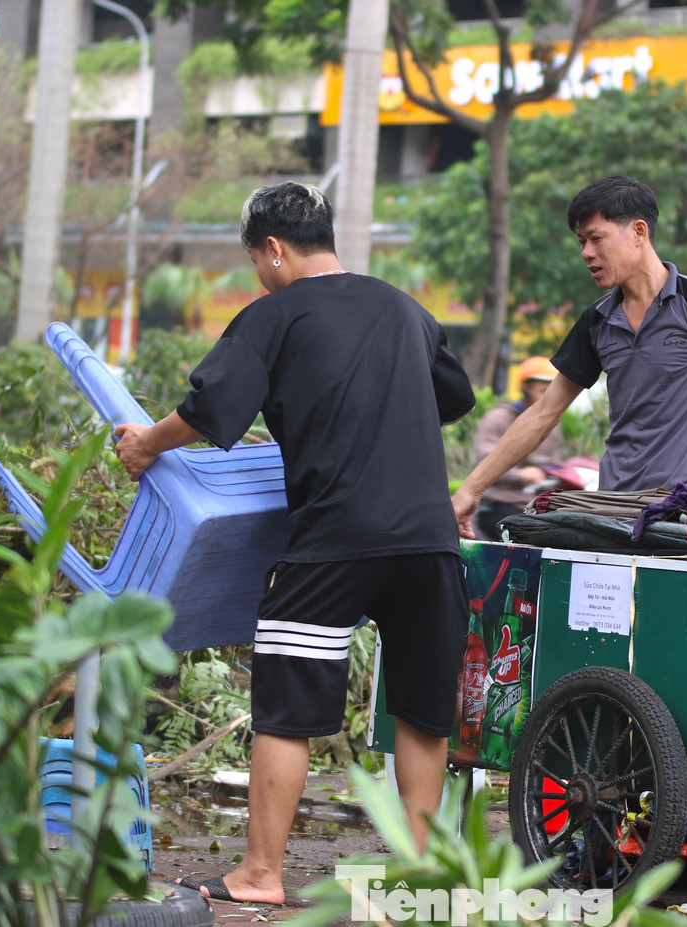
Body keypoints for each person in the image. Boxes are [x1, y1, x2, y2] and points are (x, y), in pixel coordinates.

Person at [114, 181, 475, 905]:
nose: (258, 273)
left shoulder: (273, 314)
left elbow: (208, 408)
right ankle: (423, 878)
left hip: (335, 539)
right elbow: (454, 397)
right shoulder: (406, 309)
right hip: (431, 542)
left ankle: (260, 874)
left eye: (256, 259)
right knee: (422, 709)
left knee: (286, 707)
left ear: (273, 248)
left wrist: (147, 443)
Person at [451, 174, 687, 539]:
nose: (586, 253)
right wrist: (471, 488)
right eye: (582, 242)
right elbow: (543, 412)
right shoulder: (596, 321)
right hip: (610, 510)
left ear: (639, 232)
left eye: (596, 238)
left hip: (684, 514)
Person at [472, 356, 566, 540]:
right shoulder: (499, 418)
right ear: (526, 387)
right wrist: (519, 475)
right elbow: (484, 461)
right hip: (500, 502)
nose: (549, 394)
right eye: (543, 389)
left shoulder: (554, 424)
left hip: (538, 505)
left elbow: (555, 463)